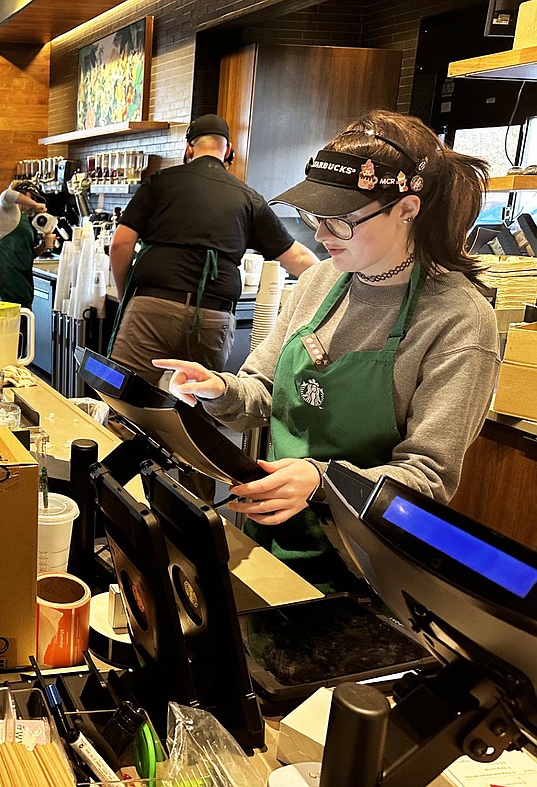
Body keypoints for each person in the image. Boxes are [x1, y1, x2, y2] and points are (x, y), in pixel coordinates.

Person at [155, 109, 500, 591]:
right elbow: (262, 392)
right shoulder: (321, 280)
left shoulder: (459, 319)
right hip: (271, 532)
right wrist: (220, 391)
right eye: (313, 218)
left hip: (366, 565)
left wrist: (321, 481)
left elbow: (428, 480)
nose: (318, 236)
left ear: (407, 208)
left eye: (339, 222)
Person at [109, 114, 319, 383]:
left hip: (152, 309)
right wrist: (337, 284)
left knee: (125, 394)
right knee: (198, 404)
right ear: (228, 150)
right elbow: (299, 257)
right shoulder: (248, 198)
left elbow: (120, 244)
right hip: (213, 318)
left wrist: (124, 291)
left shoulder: (160, 183)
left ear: (188, 148)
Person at [0, 180, 56, 306]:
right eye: (32, 197)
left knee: (23, 318)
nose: (32, 202)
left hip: (19, 275)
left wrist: (43, 247)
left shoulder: (23, 216)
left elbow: (27, 253)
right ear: (23, 194)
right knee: (13, 319)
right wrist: (36, 205)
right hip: (6, 273)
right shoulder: (9, 208)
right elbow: (6, 195)